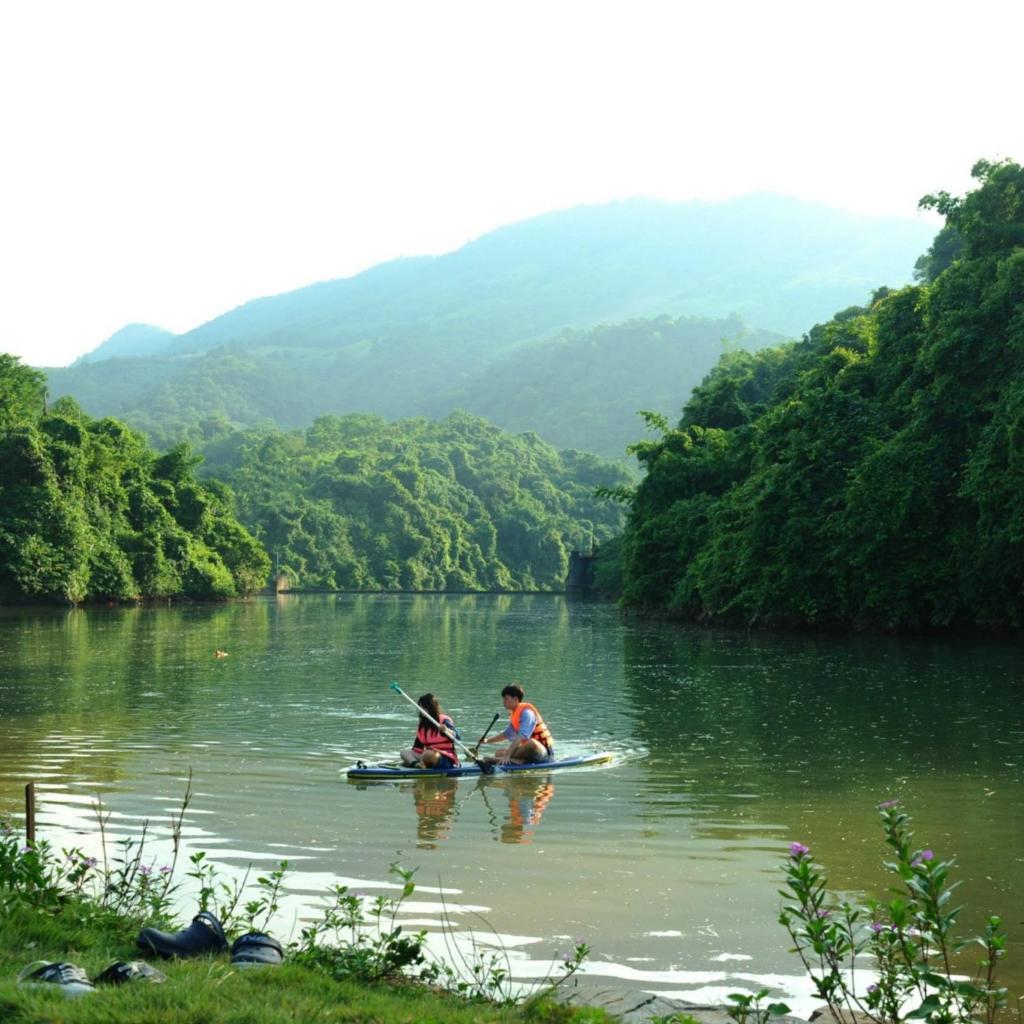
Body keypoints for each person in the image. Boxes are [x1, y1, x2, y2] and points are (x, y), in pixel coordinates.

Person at [480, 683, 554, 764]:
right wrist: (487, 741)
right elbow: (506, 734)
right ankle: (516, 761)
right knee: (498, 753)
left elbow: (521, 736)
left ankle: (498, 760)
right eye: (503, 699)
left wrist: (507, 755)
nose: (503, 701)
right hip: (529, 753)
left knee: (532, 743)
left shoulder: (527, 713)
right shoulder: (515, 714)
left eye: (506, 699)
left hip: (543, 753)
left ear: (515, 699)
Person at [400, 693, 460, 769]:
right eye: (420, 708)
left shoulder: (444, 720)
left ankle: (417, 763)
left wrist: (446, 730)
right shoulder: (422, 725)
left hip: (445, 758)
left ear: (431, 707)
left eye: (424, 708)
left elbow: (457, 736)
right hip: (426, 756)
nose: (422, 710)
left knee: (427, 754)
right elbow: (417, 748)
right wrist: (411, 758)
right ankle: (416, 764)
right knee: (404, 753)